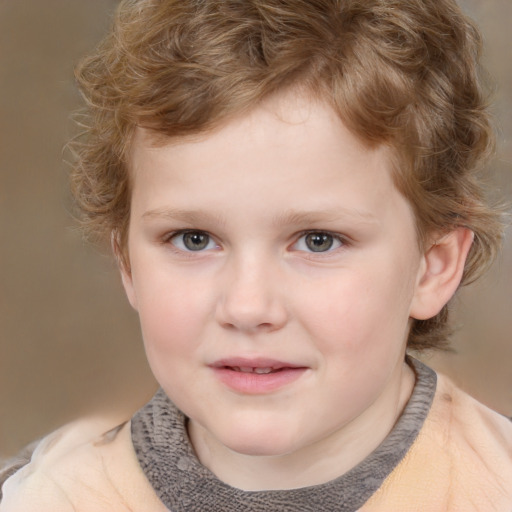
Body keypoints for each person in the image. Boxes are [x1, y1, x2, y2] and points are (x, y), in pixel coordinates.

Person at [1, 0, 511, 509]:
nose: (247, 308)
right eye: (194, 239)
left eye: (318, 240)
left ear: (433, 267)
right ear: (128, 264)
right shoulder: (51, 497)